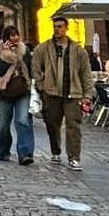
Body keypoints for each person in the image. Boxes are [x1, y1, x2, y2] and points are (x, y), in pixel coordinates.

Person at [33, 17, 93, 170]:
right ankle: (56, 151)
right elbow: (36, 68)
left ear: (66, 28)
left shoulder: (78, 50)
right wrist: (41, 86)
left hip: (73, 93)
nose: (57, 29)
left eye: (60, 26)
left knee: (73, 126)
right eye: (55, 26)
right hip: (51, 93)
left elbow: (85, 73)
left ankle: (74, 158)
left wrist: (87, 94)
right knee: (53, 124)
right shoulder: (43, 48)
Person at [0, 25, 34, 165]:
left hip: (22, 89)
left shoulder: (24, 50)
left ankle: (25, 153)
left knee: (23, 121)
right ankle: (0, 151)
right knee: (3, 123)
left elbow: (29, 69)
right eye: (12, 35)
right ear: (6, 38)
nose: (15, 38)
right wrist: (7, 55)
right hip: (5, 90)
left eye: (16, 35)